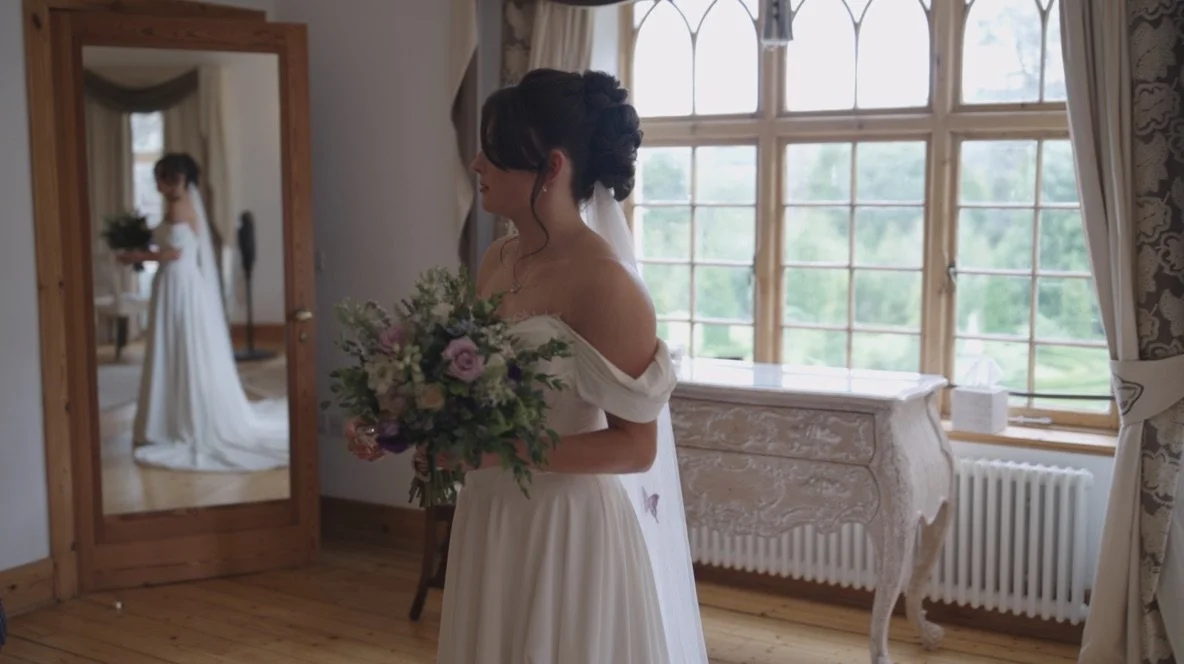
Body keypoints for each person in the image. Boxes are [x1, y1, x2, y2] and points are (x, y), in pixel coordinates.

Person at [354, 69, 709, 663]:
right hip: (491, 514)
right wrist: (395, 422)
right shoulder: (496, 257)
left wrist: (494, 454)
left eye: (494, 152)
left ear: (551, 166)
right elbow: (467, 386)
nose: (476, 163)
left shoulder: (608, 284)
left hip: (565, 531)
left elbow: (634, 450)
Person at [119, 153, 289, 472]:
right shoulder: (186, 204)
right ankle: (173, 417)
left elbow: (174, 252)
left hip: (178, 284)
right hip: (180, 284)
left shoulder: (178, 205)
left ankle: (172, 421)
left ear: (177, 179)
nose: (158, 184)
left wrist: (137, 255)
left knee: (175, 347)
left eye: (162, 178)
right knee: (181, 347)